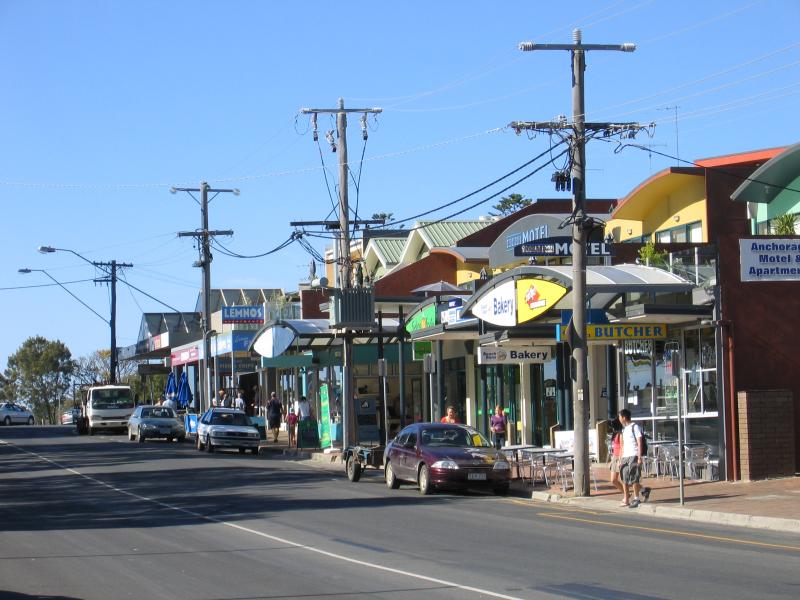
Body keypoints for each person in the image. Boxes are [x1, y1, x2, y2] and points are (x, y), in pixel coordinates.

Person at [618, 409, 651, 508]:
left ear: (624, 417)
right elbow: (622, 446)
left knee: (634, 478)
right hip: (625, 456)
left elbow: (639, 442)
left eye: (620, 417)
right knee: (624, 478)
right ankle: (626, 499)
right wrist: (620, 458)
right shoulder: (624, 429)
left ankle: (636, 498)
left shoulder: (635, 427)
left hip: (633, 455)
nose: (619, 419)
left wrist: (639, 457)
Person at [608, 418, 624, 495]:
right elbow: (614, 447)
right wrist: (612, 460)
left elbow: (622, 447)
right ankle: (626, 493)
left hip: (620, 457)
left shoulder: (621, 433)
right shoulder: (615, 433)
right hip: (615, 456)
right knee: (613, 480)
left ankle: (627, 495)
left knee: (625, 480)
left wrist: (620, 459)